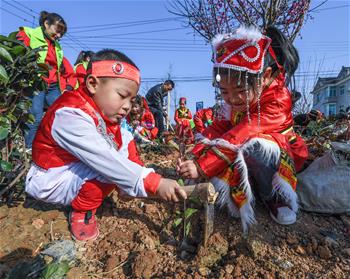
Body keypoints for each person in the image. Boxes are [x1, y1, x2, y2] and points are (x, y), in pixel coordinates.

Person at [25, 49, 187, 241]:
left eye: (131, 100)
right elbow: (106, 159)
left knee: (124, 142)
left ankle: (105, 190)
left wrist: (132, 182)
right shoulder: (70, 114)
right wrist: (154, 184)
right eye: (122, 95)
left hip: (73, 170)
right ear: (93, 84)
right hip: (52, 179)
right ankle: (82, 211)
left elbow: (126, 148)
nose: (127, 106)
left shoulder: (105, 117)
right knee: (107, 172)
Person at [177, 26, 308, 233]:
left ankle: (275, 196)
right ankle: (248, 187)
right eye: (224, 92)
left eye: (240, 90)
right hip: (243, 148)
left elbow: (240, 134)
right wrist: (194, 153)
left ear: (265, 76)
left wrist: (202, 166)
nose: (232, 99)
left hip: (281, 155)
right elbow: (219, 127)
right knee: (226, 145)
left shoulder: (278, 99)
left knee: (255, 147)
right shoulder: (237, 101)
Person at [16, 11, 68, 149]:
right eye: (57, 31)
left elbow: (60, 68)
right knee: (36, 117)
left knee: (61, 113)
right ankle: (27, 149)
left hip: (52, 85)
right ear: (46, 24)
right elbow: (18, 54)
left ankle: (52, 146)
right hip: (37, 82)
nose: (58, 36)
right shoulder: (28, 34)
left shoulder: (57, 46)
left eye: (61, 34)